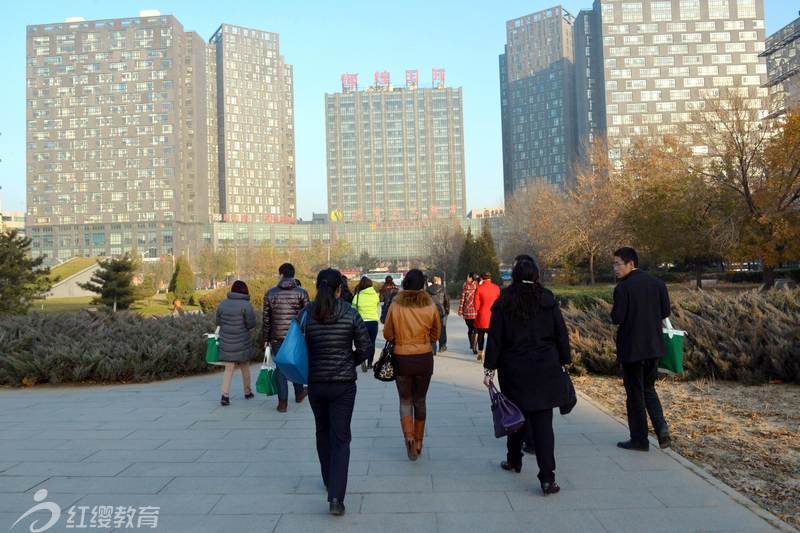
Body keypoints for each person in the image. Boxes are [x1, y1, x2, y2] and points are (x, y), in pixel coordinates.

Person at [483, 260, 571, 496]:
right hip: (546, 367)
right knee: (544, 424)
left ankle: (514, 460)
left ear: (513, 276)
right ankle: (547, 479)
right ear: (537, 276)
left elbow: (495, 339)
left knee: (516, 415)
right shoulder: (547, 299)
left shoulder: (504, 301)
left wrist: (489, 370)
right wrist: (565, 360)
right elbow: (561, 333)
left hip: (514, 369)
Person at [302, 269, 372, 516]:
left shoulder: (305, 314)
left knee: (322, 430)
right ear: (339, 288)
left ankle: (328, 479)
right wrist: (346, 362)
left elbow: (298, 349)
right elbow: (366, 349)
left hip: (316, 383)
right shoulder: (350, 313)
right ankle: (336, 498)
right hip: (343, 386)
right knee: (341, 437)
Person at [611, 247, 671, 452]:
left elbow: (617, 318)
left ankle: (639, 439)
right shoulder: (658, 284)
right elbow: (665, 312)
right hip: (654, 346)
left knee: (635, 394)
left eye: (618, 264)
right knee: (649, 388)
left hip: (632, 348)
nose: (615, 268)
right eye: (615, 264)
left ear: (631, 264)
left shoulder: (623, 288)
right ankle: (661, 427)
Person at [383, 269, 441, 461]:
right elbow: (436, 335)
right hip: (424, 357)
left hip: (402, 358)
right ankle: (418, 442)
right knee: (420, 400)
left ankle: (408, 436)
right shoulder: (430, 306)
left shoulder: (395, 305)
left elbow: (388, 335)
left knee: (405, 400)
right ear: (423, 285)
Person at [263, 263, 310, 412]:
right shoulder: (302, 292)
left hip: (276, 336)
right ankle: (299, 393)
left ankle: (282, 403)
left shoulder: (270, 293)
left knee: (281, 367)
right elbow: (308, 315)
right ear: (293, 275)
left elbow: (266, 318)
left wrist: (266, 338)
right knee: (295, 362)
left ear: (281, 275)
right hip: (295, 336)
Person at [216, 280, 257, 406]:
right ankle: (247, 392)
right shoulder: (246, 305)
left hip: (227, 341)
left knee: (228, 368)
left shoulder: (223, 303)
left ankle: (225, 396)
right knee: (244, 366)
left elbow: (218, 322)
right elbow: (251, 325)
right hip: (242, 341)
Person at [353, 276, 380, 371]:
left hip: (361, 323)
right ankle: (370, 363)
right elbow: (376, 305)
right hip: (373, 322)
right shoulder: (375, 296)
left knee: (361, 343)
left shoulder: (357, 296)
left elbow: (353, 309)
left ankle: (362, 359)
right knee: (372, 343)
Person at [473, 271, 500, 362]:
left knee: (480, 335)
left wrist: (478, 310)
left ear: (481, 278)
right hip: (494, 314)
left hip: (482, 313)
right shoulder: (496, 288)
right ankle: (492, 353)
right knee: (493, 335)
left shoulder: (479, 288)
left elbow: (476, 304)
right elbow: (499, 301)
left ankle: (481, 353)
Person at [457, 272, 479, 354]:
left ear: (470, 278)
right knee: (476, 329)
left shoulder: (465, 286)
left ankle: (471, 343)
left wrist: (460, 310)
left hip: (467, 312)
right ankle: (474, 346)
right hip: (476, 311)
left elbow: (462, 299)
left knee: (470, 329)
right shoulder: (478, 286)